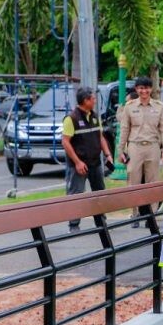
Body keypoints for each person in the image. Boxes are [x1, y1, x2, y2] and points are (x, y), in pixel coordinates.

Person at [118, 76, 163, 227]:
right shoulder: (130, 106)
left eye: (146, 88)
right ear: (136, 90)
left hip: (153, 146)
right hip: (135, 146)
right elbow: (124, 128)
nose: (144, 91)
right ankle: (135, 214)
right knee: (134, 181)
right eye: (140, 88)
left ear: (151, 89)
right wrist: (120, 150)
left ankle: (150, 217)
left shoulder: (159, 106)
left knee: (152, 183)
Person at [61, 86, 114, 231]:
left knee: (99, 193)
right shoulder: (71, 119)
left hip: (95, 162)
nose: (95, 101)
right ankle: (73, 225)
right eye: (93, 99)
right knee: (76, 195)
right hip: (79, 165)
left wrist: (108, 154)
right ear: (85, 100)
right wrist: (77, 162)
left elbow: (100, 137)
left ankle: (100, 222)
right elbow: (65, 142)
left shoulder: (95, 116)